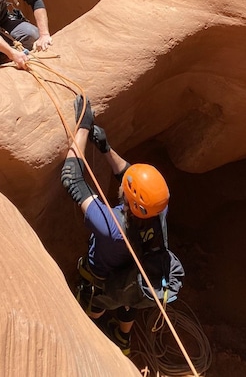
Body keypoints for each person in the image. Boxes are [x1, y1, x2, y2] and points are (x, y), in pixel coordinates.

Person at [61, 95, 171, 356]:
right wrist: (106, 149)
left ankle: (91, 329)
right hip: (137, 277)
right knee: (129, 298)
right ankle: (123, 339)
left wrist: (83, 129)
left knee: (98, 299)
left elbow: (71, 179)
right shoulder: (160, 208)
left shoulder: (111, 225)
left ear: (128, 198)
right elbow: (129, 176)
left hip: (103, 280)